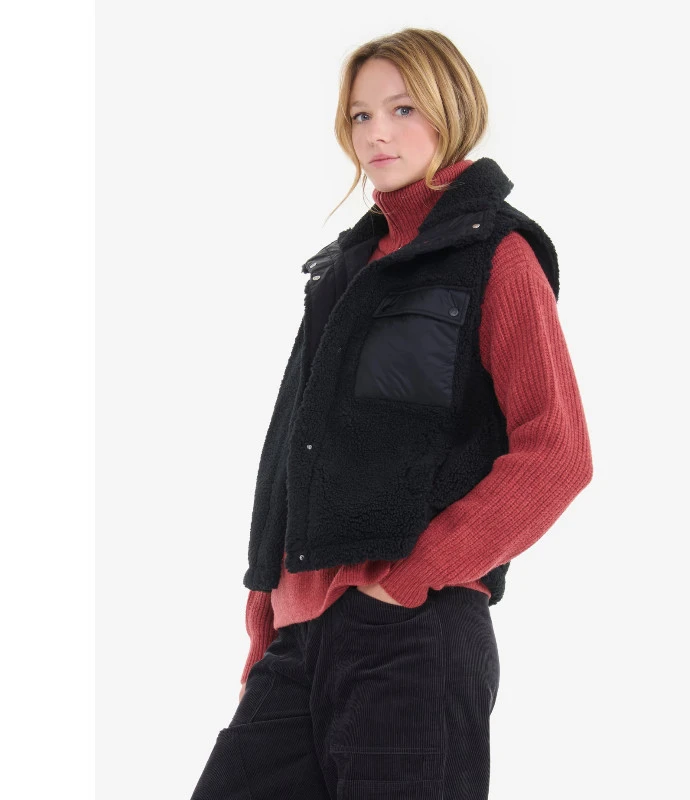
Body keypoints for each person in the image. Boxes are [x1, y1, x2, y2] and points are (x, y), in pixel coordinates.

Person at [190, 27, 593, 800]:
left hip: (410, 635)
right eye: (360, 115)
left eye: (402, 109)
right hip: (299, 643)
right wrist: (265, 623)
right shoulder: (344, 271)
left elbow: (557, 452)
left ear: (451, 108)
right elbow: (293, 453)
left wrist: (413, 578)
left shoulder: (494, 255)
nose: (377, 132)